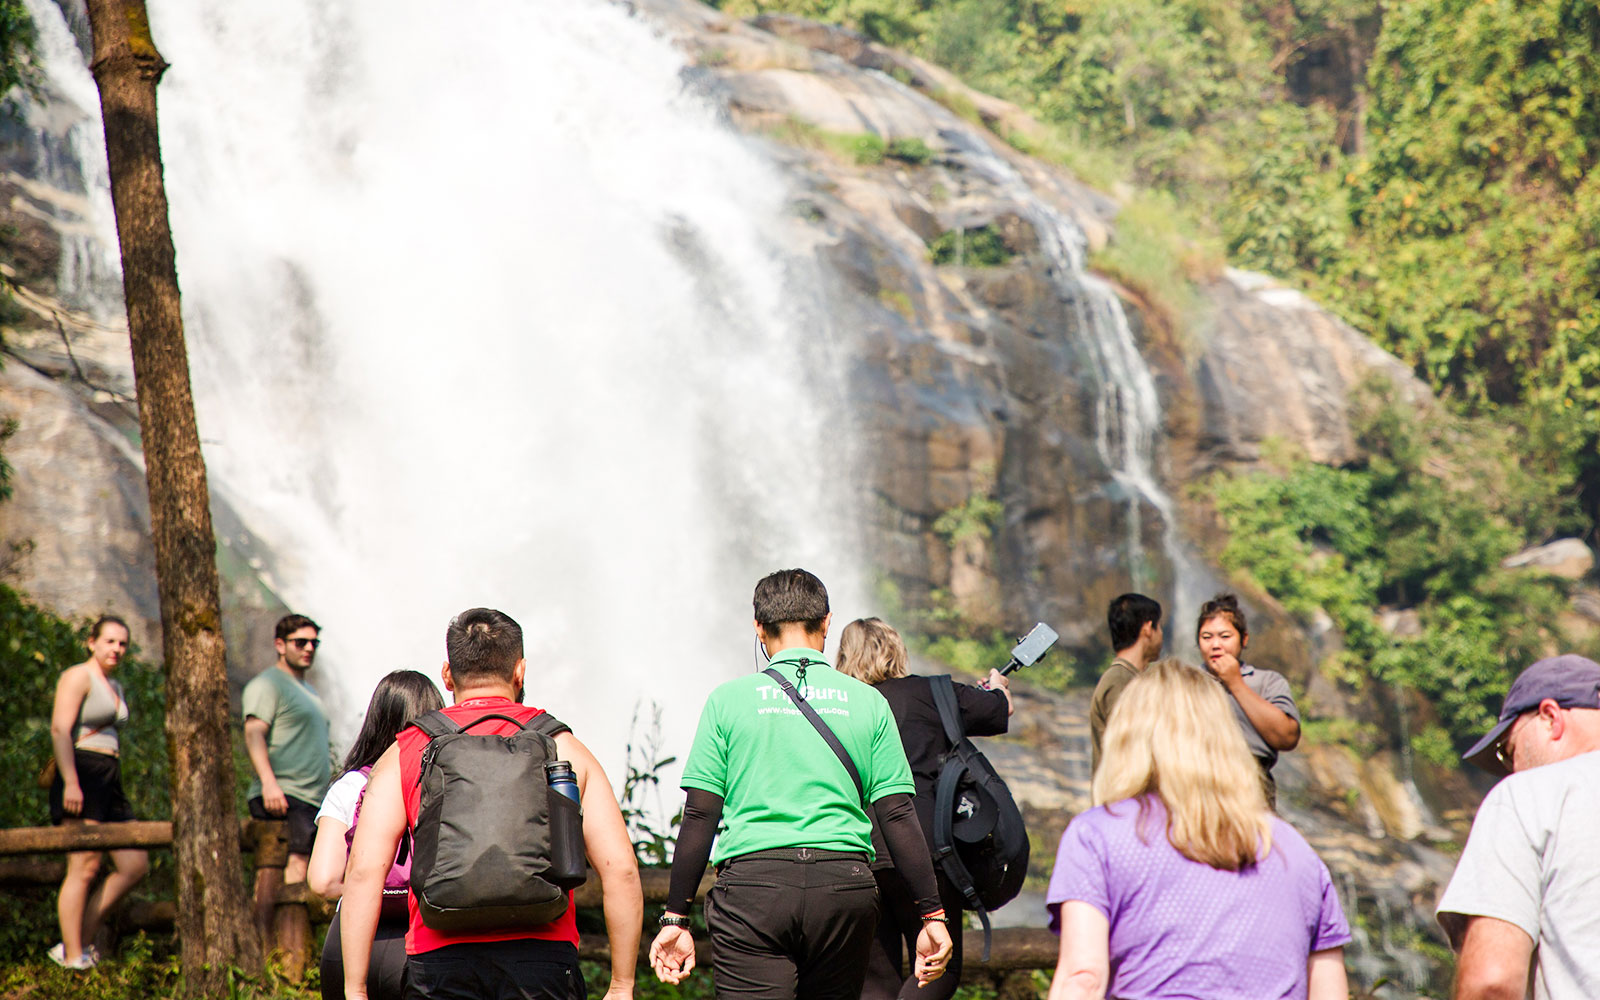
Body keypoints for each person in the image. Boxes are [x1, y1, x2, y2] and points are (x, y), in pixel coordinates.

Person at [648, 569, 953, 1000]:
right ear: (827, 623)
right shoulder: (869, 702)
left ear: (758, 628)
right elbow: (898, 813)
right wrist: (932, 914)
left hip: (754, 892)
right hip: (844, 889)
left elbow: (701, 813)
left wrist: (676, 917)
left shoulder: (727, 701)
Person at [340, 608, 643, 1000]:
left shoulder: (407, 750)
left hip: (438, 962)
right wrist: (622, 985)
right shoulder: (562, 746)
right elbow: (620, 869)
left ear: (447, 674)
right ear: (520, 671)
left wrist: (355, 988)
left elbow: (364, 872)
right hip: (543, 960)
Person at [1046, 658, 1350, 1000]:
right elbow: (1330, 991)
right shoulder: (1293, 849)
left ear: (1127, 736)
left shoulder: (1097, 835)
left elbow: (1082, 977)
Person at [834, 616, 1010, 1000]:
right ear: (896, 649)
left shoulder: (836, 706)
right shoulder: (932, 693)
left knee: (874, 978)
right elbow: (997, 712)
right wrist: (998, 688)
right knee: (938, 968)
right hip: (924, 850)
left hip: (856, 852)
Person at [1436, 654, 1600, 999]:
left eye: (1508, 752)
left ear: (1550, 718)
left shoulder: (1529, 795)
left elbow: (1491, 984)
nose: (1512, 769)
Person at [307, 670, 444, 1000]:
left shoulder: (350, 786)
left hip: (347, 945)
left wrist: (369, 887)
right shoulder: (442, 785)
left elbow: (322, 881)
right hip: (419, 942)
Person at [45, 615, 150, 970]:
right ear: (92, 642)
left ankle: (78, 943)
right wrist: (71, 781)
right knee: (84, 866)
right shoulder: (78, 676)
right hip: (83, 772)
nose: (117, 649)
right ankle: (73, 957)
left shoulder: (114, 685)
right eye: (109, 641)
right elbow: (60, 729)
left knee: (135, 864)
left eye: (122, 643)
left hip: (110, 776)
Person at [242, 613, 332, 886]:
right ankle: (275, 928)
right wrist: (269, 785)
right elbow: (254, 732)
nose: (308, 649)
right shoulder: (268, 684)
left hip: (309, 798)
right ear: (280, 645)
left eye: (314, 644)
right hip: (285, 793)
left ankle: (281, 927)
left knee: (303, 866)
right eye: (300, 642)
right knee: (294, 865)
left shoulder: (308, 690)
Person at [1194, 594, 1300, 808]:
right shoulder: (1186, 681)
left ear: (1244, 639)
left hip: (1253, 788)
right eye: (1207, 637)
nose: (1215, 645)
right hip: (1197, 787)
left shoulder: (1267, 682)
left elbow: (1287, 737)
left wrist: (1235, 683)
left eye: (1225, 636)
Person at [1089, 593, 1162, 775]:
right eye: (1159, 626)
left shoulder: (1130, 677)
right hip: (1124, 799)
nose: (1161, 634)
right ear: (1148, 628)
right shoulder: (1120, 680)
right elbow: (1128, 749)